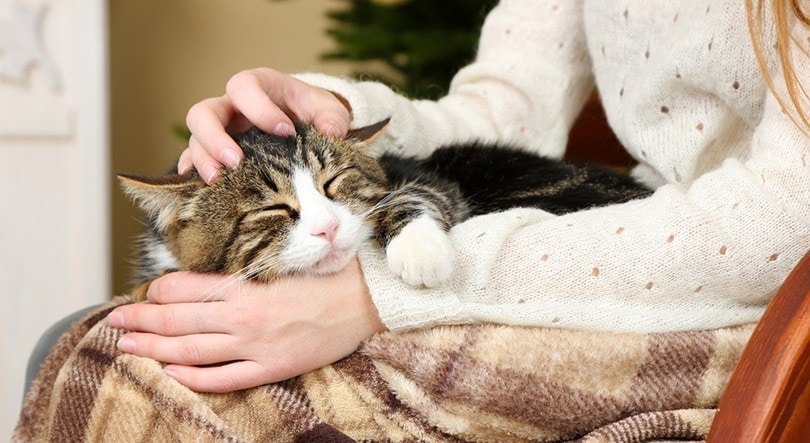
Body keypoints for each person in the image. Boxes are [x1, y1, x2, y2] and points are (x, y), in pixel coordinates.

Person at [107, 0, 810, 394]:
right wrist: (331, 114)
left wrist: (378, 296)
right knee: (99, 356)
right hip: (638, 236)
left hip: (769, 310)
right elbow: (507, 113)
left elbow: (779, 225)